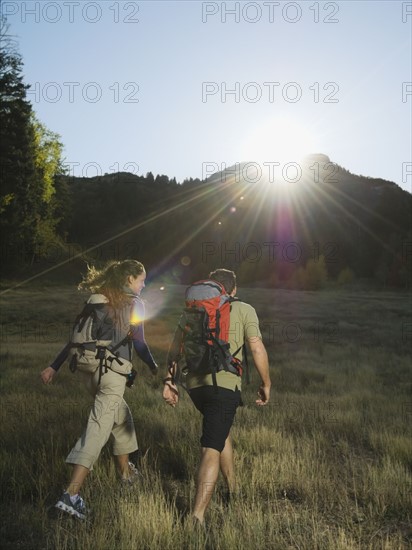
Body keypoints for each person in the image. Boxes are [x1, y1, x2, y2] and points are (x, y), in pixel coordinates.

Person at [41, 259, 158, 519]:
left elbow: (75, 339)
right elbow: (139, 342)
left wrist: (53, 367)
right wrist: (153, 366)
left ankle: (127, 476)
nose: (144, 284)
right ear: (129, 279)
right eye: (141, 279)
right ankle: (70, 496)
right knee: (99, 425)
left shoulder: (96, 299)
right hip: (113, 374)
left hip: (89, 373)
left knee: (122, 419)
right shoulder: (135, 304)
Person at [163, 268, 271, 526]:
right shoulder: (244, 308)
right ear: (232, 290)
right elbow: (256, 347)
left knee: (220, 432)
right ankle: (197, 516)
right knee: (211, 446)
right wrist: (266, 383)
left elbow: (173, 351)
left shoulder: (192, 311)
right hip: (223, 387)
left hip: (196, 386)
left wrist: (169, 381)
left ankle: (233, 488)